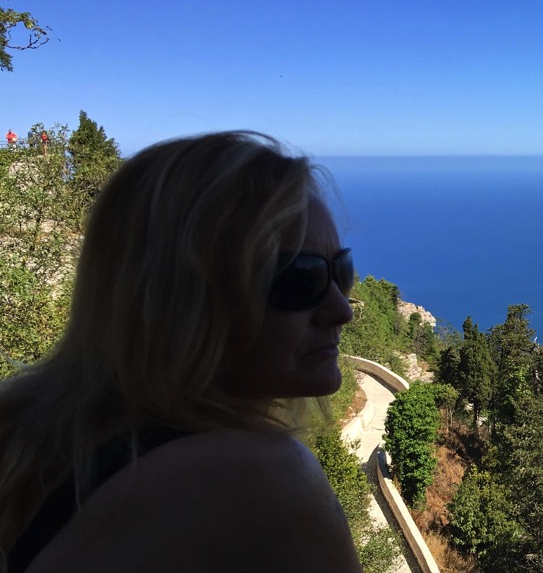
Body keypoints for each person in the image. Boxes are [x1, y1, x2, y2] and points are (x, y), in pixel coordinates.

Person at [0, 132, 364, 572]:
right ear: (189, 299)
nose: (341, 310)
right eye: (299, 279)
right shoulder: (262, 478)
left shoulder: (30, 443)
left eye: (340, 271)